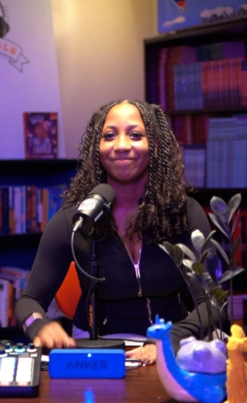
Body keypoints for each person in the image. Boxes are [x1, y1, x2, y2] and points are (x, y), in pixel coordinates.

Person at [14, 99, 223, 364]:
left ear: (155, 146)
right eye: (109, 135)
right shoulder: (75, 220)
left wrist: (171, 338)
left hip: (171, 342)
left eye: (135, 135)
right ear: (97, 149)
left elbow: (213, 302)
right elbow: (29, 302)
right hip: (98, 347)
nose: (121, 146)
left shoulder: (185, 214)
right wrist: (38, 325)